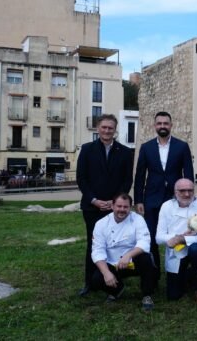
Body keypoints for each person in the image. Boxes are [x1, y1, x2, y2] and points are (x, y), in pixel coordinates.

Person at [76, 114, 134, 296]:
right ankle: (89, 283)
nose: (107, 131)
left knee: (116, 245)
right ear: (97, 129)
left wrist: (114, 202)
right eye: (104, 127)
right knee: (94, 246)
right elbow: (81, 178)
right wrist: (94, 199)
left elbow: (127, 180)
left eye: (110, 128)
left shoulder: (125, 152)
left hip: (115, 209)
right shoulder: (87, 150)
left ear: (115, 130)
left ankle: (113, 281)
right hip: (92, 207)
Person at [134, 111, 194, 275]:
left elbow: (188, 173)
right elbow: (140, 175)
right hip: (151, 198)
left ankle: (178, 271)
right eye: (159, 123)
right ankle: (153, 274)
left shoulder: (182, 146)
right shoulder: (146, 148)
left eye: (165, 123)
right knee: (151, 237)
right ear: (155, 126)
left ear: (171, 125)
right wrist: (138, 200)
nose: (162, 126)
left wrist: (189, 197)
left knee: (179, 235)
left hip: (176, 199)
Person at [90, 193, 156, 311]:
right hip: (112, 262)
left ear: (130, 208)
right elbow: (97, 250)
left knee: (146, 259)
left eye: (125, 207)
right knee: (96, 279)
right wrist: (106, 272)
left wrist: (128, 255)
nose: (122, 210)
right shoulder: (101, 224)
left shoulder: (138, 219)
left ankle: (147, 295)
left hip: (132, 260)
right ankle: (117, 290)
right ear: (112, 206)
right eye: (119, 206)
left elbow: (144, 242)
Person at [155, 179, 197, 303]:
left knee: (196, 249)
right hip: (176, 252)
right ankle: (189, 275)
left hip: (195, 248)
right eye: (182, 191)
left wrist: (183, 239)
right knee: (173, 296)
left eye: (190, 190)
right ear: (175, 192)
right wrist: (176, 238)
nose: (186, 194)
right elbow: (158, 237)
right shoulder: (166, 206)